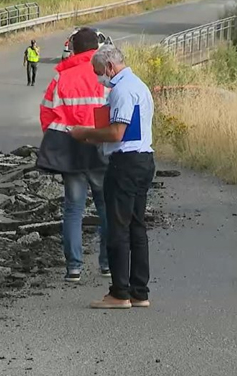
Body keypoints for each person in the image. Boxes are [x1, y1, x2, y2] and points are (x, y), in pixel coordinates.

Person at [70, 45, 155, 309]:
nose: (100, 79)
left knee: (118, 227)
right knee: (137, 226)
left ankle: (120, 292)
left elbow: (117, 132)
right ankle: (139, 291)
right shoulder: (139, 84)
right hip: (143, 159)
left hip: (125, 163)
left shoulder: (122, 90)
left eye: (99, 73)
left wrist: (85, 133)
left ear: (108, 67)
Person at [37, 27, 110, 283]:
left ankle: (74, 268)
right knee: (106, 207)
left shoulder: (61, 78)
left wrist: (57, 140)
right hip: (101, 147)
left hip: (71, 149)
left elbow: (47, 114)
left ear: (74, 49)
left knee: (73, 209)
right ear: (96, 48)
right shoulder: (104, 74)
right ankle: (107, 264)